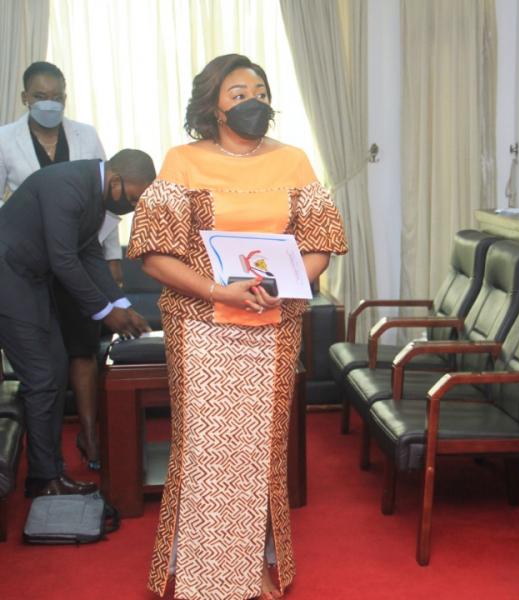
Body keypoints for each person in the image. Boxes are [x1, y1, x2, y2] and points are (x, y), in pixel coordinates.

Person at [128, 54, 347, 600]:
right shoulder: (181, 161)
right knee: (204, 448)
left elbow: (319, 245)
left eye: (261, 90)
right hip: (201, 327)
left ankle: (253, 568)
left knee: (260, 449)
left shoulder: (294, 162)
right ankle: (204, 575)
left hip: (272, 325)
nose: (253, 100)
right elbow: (153, 255)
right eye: (237, 92)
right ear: (214, 105)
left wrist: (287, 282)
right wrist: (217, 291)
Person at [0, 149, 155, 497]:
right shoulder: (69, 186)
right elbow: (64, 260)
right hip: (8, 278)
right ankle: (44, 479)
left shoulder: (93, 194)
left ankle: (50, 470)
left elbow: (88, 253)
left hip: (30, 281)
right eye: (133, 197)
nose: (132, 207)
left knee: (55, 368)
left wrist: (122, 304)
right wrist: (105, 313)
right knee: (42, 377)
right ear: (115, 181)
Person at [0, 61, 125, 470]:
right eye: (40, 97)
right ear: (25, 98)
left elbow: (106, 196)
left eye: (56, 97)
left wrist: (111, 258)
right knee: (45, 361)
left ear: (65, 98)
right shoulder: (5, 140)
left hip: (77, 260)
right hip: (28, 264)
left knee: (81, 348)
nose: (49, 103)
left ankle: (89, 434)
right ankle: (46, 466)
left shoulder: (85, 135)